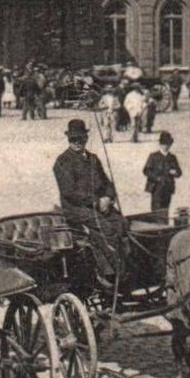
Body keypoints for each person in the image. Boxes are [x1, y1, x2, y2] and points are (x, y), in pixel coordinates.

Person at [53, 118, 125, 281]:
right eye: (73, 139)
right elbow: (70, 192)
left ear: (86, 138)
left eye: (80, 138)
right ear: (69, 140)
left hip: (101, 205)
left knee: (122, 224)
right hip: (76, 209)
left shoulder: (93, 159)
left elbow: (107, 182)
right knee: (106, 229)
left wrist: (108, 197)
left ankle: (124, 263)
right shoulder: (62, 161)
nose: (77, 142)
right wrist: (96, 202)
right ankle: (114, 273)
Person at [143, 131, 183, 216]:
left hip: (168, 187)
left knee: (165, 210)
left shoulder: (172, 157)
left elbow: (179, 173)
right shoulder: (153, 156)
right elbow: (146, 170)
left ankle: (164, 226)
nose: (166, 146)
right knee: (156, 210)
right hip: (156, 187)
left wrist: (175, 172)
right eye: (164, 144)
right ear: (160, 144)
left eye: (168, 144)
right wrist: (156, 178)